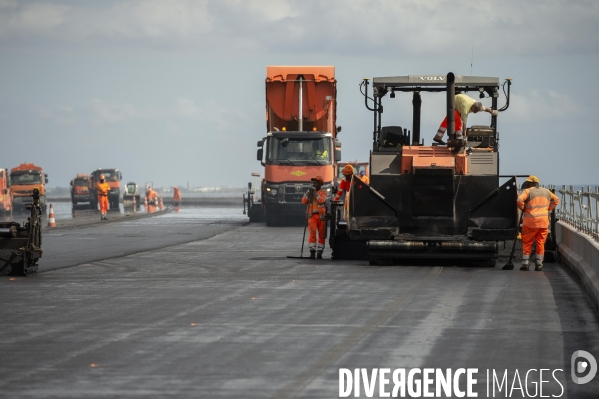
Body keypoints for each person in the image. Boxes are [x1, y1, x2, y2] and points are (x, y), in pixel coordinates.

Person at [517, 176, 560, 271]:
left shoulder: (527, 191)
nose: (527, 184)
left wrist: (523, 208)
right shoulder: (546, 191)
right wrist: (548, 208)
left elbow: (519, 200)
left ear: (530, 184)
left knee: (527, 243)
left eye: (528, 183)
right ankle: (539, 264)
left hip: (530, 223)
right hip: (543, 223)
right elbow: (556, 200)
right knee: (540, 243)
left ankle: (525, 264)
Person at [433, 93, 499, 145]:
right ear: (473, 107)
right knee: (457, 120)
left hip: (460, 101)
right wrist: (464, 137)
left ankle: (438, 137)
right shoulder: (465, 109)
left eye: (477, 111)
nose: (475, 112)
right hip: (454, 102)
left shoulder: (478, 106)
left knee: (448, 119)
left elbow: (486, 109)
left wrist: (492, 112)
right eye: (475, 111)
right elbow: (464, 125)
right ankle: (459, 140)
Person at [301, 175, 329, 259]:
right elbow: (304, 201)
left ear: (320, 184)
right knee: (312, 233)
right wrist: (308, 193)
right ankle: (312, 251)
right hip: (311, 216)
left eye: (316, 183)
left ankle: (319, 252)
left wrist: (315, 193)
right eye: (313, 183)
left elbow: (321, 201)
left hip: (321, 216)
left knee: (321, 234)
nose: (314, 184)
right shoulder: (310, 193)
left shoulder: (324, 192)